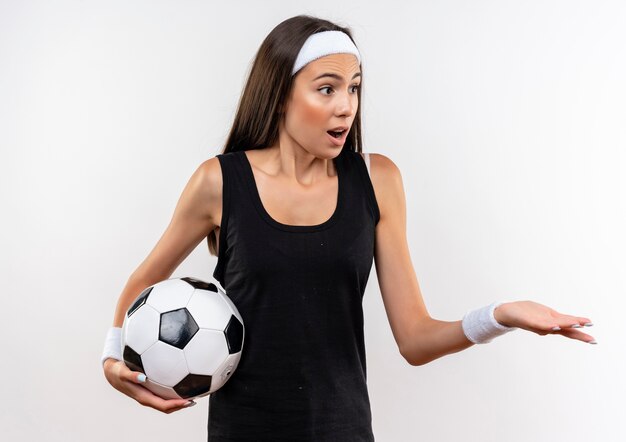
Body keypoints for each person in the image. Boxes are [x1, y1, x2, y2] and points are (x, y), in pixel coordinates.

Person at [101, 14, 596, 441]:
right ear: (278, 95)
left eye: (354, 87)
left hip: (343, 431)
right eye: (327, 88)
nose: (346, 105)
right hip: (243, 431)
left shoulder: (377, 180)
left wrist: (500, 315)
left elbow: (416, 339)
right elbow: (142, 283)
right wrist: (113, 361)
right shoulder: (220, 181)